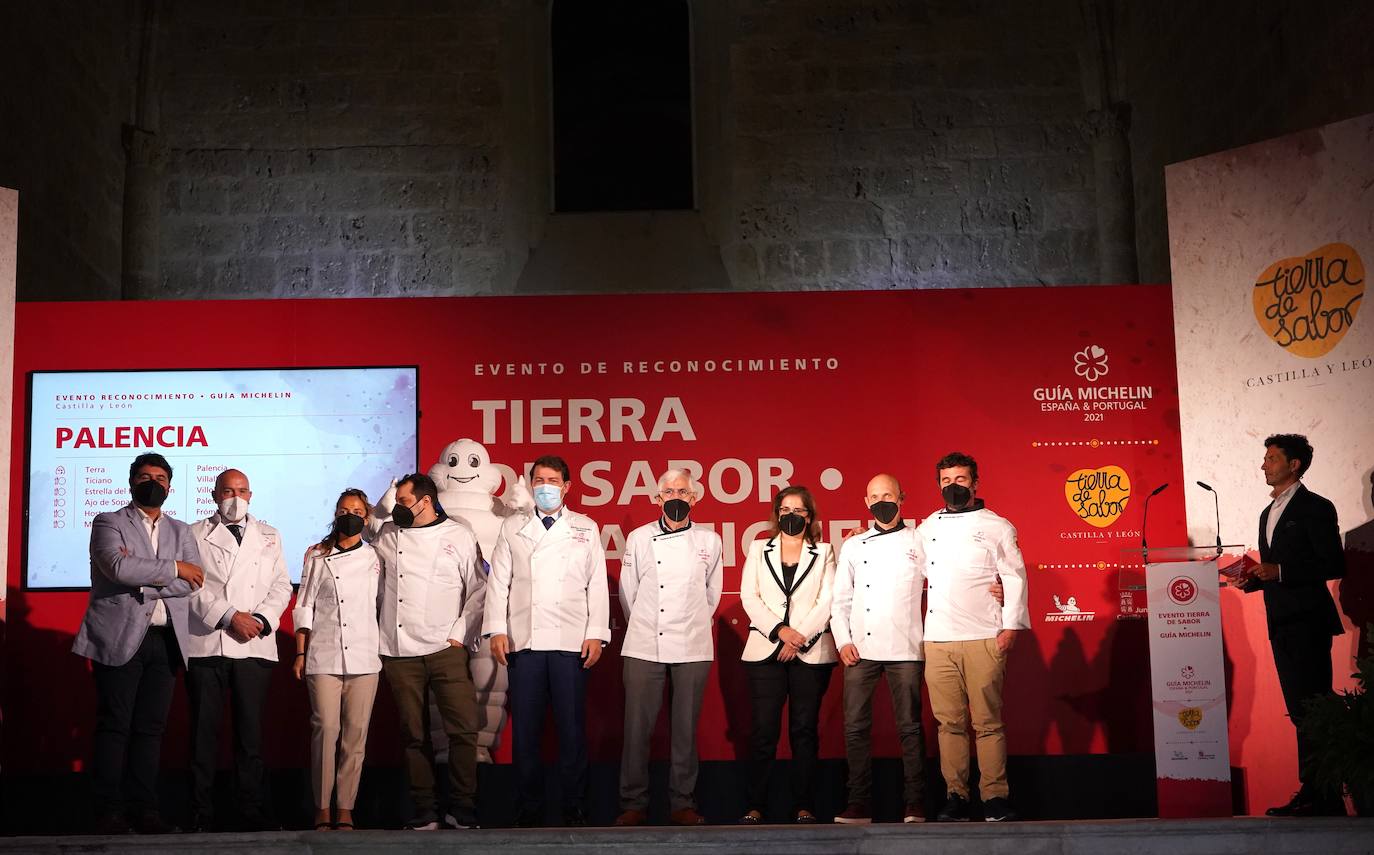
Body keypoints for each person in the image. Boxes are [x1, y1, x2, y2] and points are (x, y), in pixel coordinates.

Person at [73, 453, 205, 834]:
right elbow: (116, 566)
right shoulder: (108, 521)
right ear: (131, 483)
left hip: (166, 642)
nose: (154, 482)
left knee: (151, 729)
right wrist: (174, 568)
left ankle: (145, 810)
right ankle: (108, 811)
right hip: (119, 637)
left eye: (161, 477)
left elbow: (194, 582)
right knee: (116, 725)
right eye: (145, 476)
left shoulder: (182, 531)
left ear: (170, 486)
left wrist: (145, 576)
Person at [484, 455, 610, 827]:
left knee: (572, 730)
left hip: (571, 641)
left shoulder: (586, 527)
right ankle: (528, 807)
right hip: (525, 640)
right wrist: (496, 629)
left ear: (567, 487)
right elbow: (498, 582)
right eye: (539, 480)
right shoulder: (512, 527)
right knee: (525, 732)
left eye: (553, 480)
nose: (545, 486)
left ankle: (575, 806)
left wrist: (596, 634)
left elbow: (597, 585)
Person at [917, 452, 1029, 822]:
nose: (953, 487)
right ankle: (956, 796)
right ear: (939, 485)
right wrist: (861, 535)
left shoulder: (997, 526)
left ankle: (995, 797)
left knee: (987, 722)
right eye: (946, 481)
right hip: (938, 639)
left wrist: (1010, 625)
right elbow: (909, 566)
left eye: (960, 480)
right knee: (948, 724)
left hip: (984, 634)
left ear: (975, 483)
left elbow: (1014, 576)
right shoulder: (927, 527)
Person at [1240, 434, 1347, 816]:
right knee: (1298, 709)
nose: (1264, 464)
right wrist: (1252, 579)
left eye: (1271, 458)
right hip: (1280, 620)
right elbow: (1272, 570)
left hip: (1308, 620)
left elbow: (1333, 562)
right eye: (1264, 458)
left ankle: (1323, 793)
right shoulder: (1266, 513)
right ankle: (1318, 792)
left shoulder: (1316, 507)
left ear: (1294, 464)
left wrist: (1280, 570)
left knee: (1312, 707)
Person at [375, 473, 486, 830]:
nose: (398, 509)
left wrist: (459, 634)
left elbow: (478, 589)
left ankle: (463, 807)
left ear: (426, 502)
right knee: (413, 734)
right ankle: (425, 809)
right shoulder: (387, 535)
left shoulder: (459, 534)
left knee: (463, 730)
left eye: (404, 502)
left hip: (446, 648)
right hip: (398, 649)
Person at [186, 468, 293, 832]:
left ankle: (250, 811)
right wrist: (231, 616)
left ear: (251, 495)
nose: (235, 497)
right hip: (209, 641)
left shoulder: (269, 535)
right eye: (228, 491)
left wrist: (261, 619)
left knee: (250, 736)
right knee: (203, 734)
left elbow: (281, 584)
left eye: (242, 491)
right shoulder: (194, 533)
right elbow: (189, 585)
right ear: (215, 495)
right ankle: (200, 813)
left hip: (255, 643)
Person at [615, 469, 723, 827]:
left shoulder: (710, 541)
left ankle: (682, 803)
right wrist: (644, 623)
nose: (675, 496)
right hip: (644, 641)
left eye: (682, 491)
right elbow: (628, 593)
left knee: (685, 729)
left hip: (692, 644)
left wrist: (692, 623)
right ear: (656, 498)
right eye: (668, 491)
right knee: (636, 729)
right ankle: (633, 803)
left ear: (694, 498)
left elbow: (711, 594)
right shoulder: (639, 538)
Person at [831, 474, 928, 824]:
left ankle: (915, 802)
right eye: (874, 496)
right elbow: (840, 599)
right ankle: (858, 803)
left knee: (910, 727)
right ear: (866, 502)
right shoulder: (855, 545)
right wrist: (843, 640)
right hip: (861, 647)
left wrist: (991, 590)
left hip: (905, 646)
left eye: (887, 494)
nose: (881, 501)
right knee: (855, 727)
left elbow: (947, 581)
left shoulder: (920, 541)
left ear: (902, 497)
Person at [738, 486, 838, 824]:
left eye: (798, 510)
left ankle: (804, 805)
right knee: (764, 731)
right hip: (766, 649)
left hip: (810, 653)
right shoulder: (757, 549)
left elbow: (827, 600)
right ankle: (755, 805)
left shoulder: (823, 552)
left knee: (803, 730)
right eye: (784, 510)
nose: (790, 515)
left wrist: (798, 638)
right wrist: (781, 632)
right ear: (776, 514)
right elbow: (749, 597)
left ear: (809, 516)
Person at [292, 489, 383, 831]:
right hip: (324, 655)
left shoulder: (376, 558)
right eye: (345, 510)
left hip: (364, 657)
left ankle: (345, 806)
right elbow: (304, 605)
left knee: (355, 736)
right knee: (325, 730)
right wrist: (300, 651)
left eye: (357, 510)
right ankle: (321, 806)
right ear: (336, 514)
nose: (351, 515)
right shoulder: (317, 555)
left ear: (367, 517)